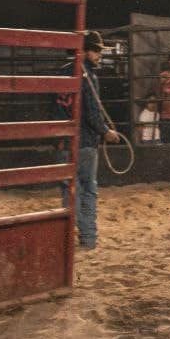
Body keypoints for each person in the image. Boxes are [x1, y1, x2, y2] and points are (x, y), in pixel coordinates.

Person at [66, 31, 123, 249]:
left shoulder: (63, 73)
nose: (99, 55)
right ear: (84, 51)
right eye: (96, 50)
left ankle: (68, 235)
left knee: (70, 190)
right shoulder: (89, 77)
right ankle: (88, 237)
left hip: (65, 141)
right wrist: (105, 131)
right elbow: (92, 113)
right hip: (85, 142)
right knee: (88, 188)